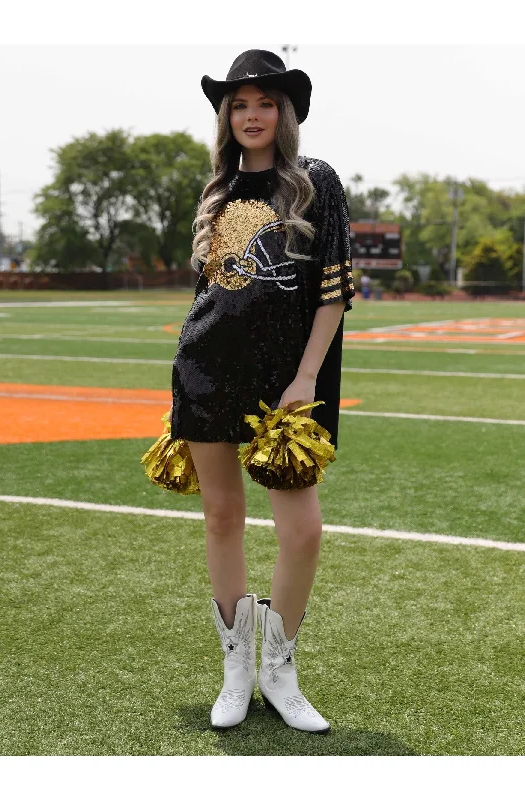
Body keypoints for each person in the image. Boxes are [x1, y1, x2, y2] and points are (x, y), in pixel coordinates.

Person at [170, 49, 355, 734]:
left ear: (285, 113)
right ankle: (235, 672)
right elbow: (205, 296)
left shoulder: (315, 181)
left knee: (301, 530)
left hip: (287, 384)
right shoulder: (217, 191)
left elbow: (334, 290)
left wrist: (305, 377)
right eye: (239, 104)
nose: (251, 115)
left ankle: (279, 670)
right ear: (227, 117)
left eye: (264, 103)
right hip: (206, 368)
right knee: (221, 518)